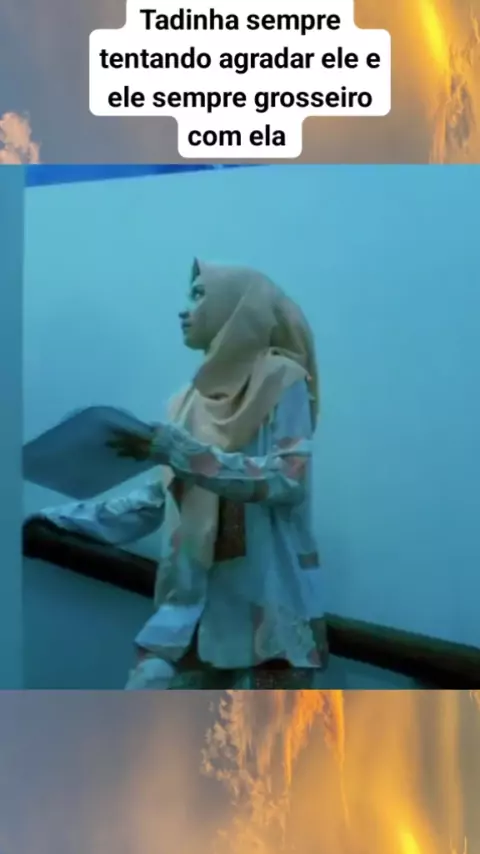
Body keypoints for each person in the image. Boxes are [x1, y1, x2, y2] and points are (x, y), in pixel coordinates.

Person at [38, 259, 328, 689]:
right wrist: (54, 518)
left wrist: (177, 451)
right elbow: (160, 498)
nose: (184, 309)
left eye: (199, 294)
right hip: (185, 616)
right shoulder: (184, 403)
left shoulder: (282, 379)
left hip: (268, 620)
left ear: (237, 306)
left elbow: (287, 480)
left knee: (260, 734)